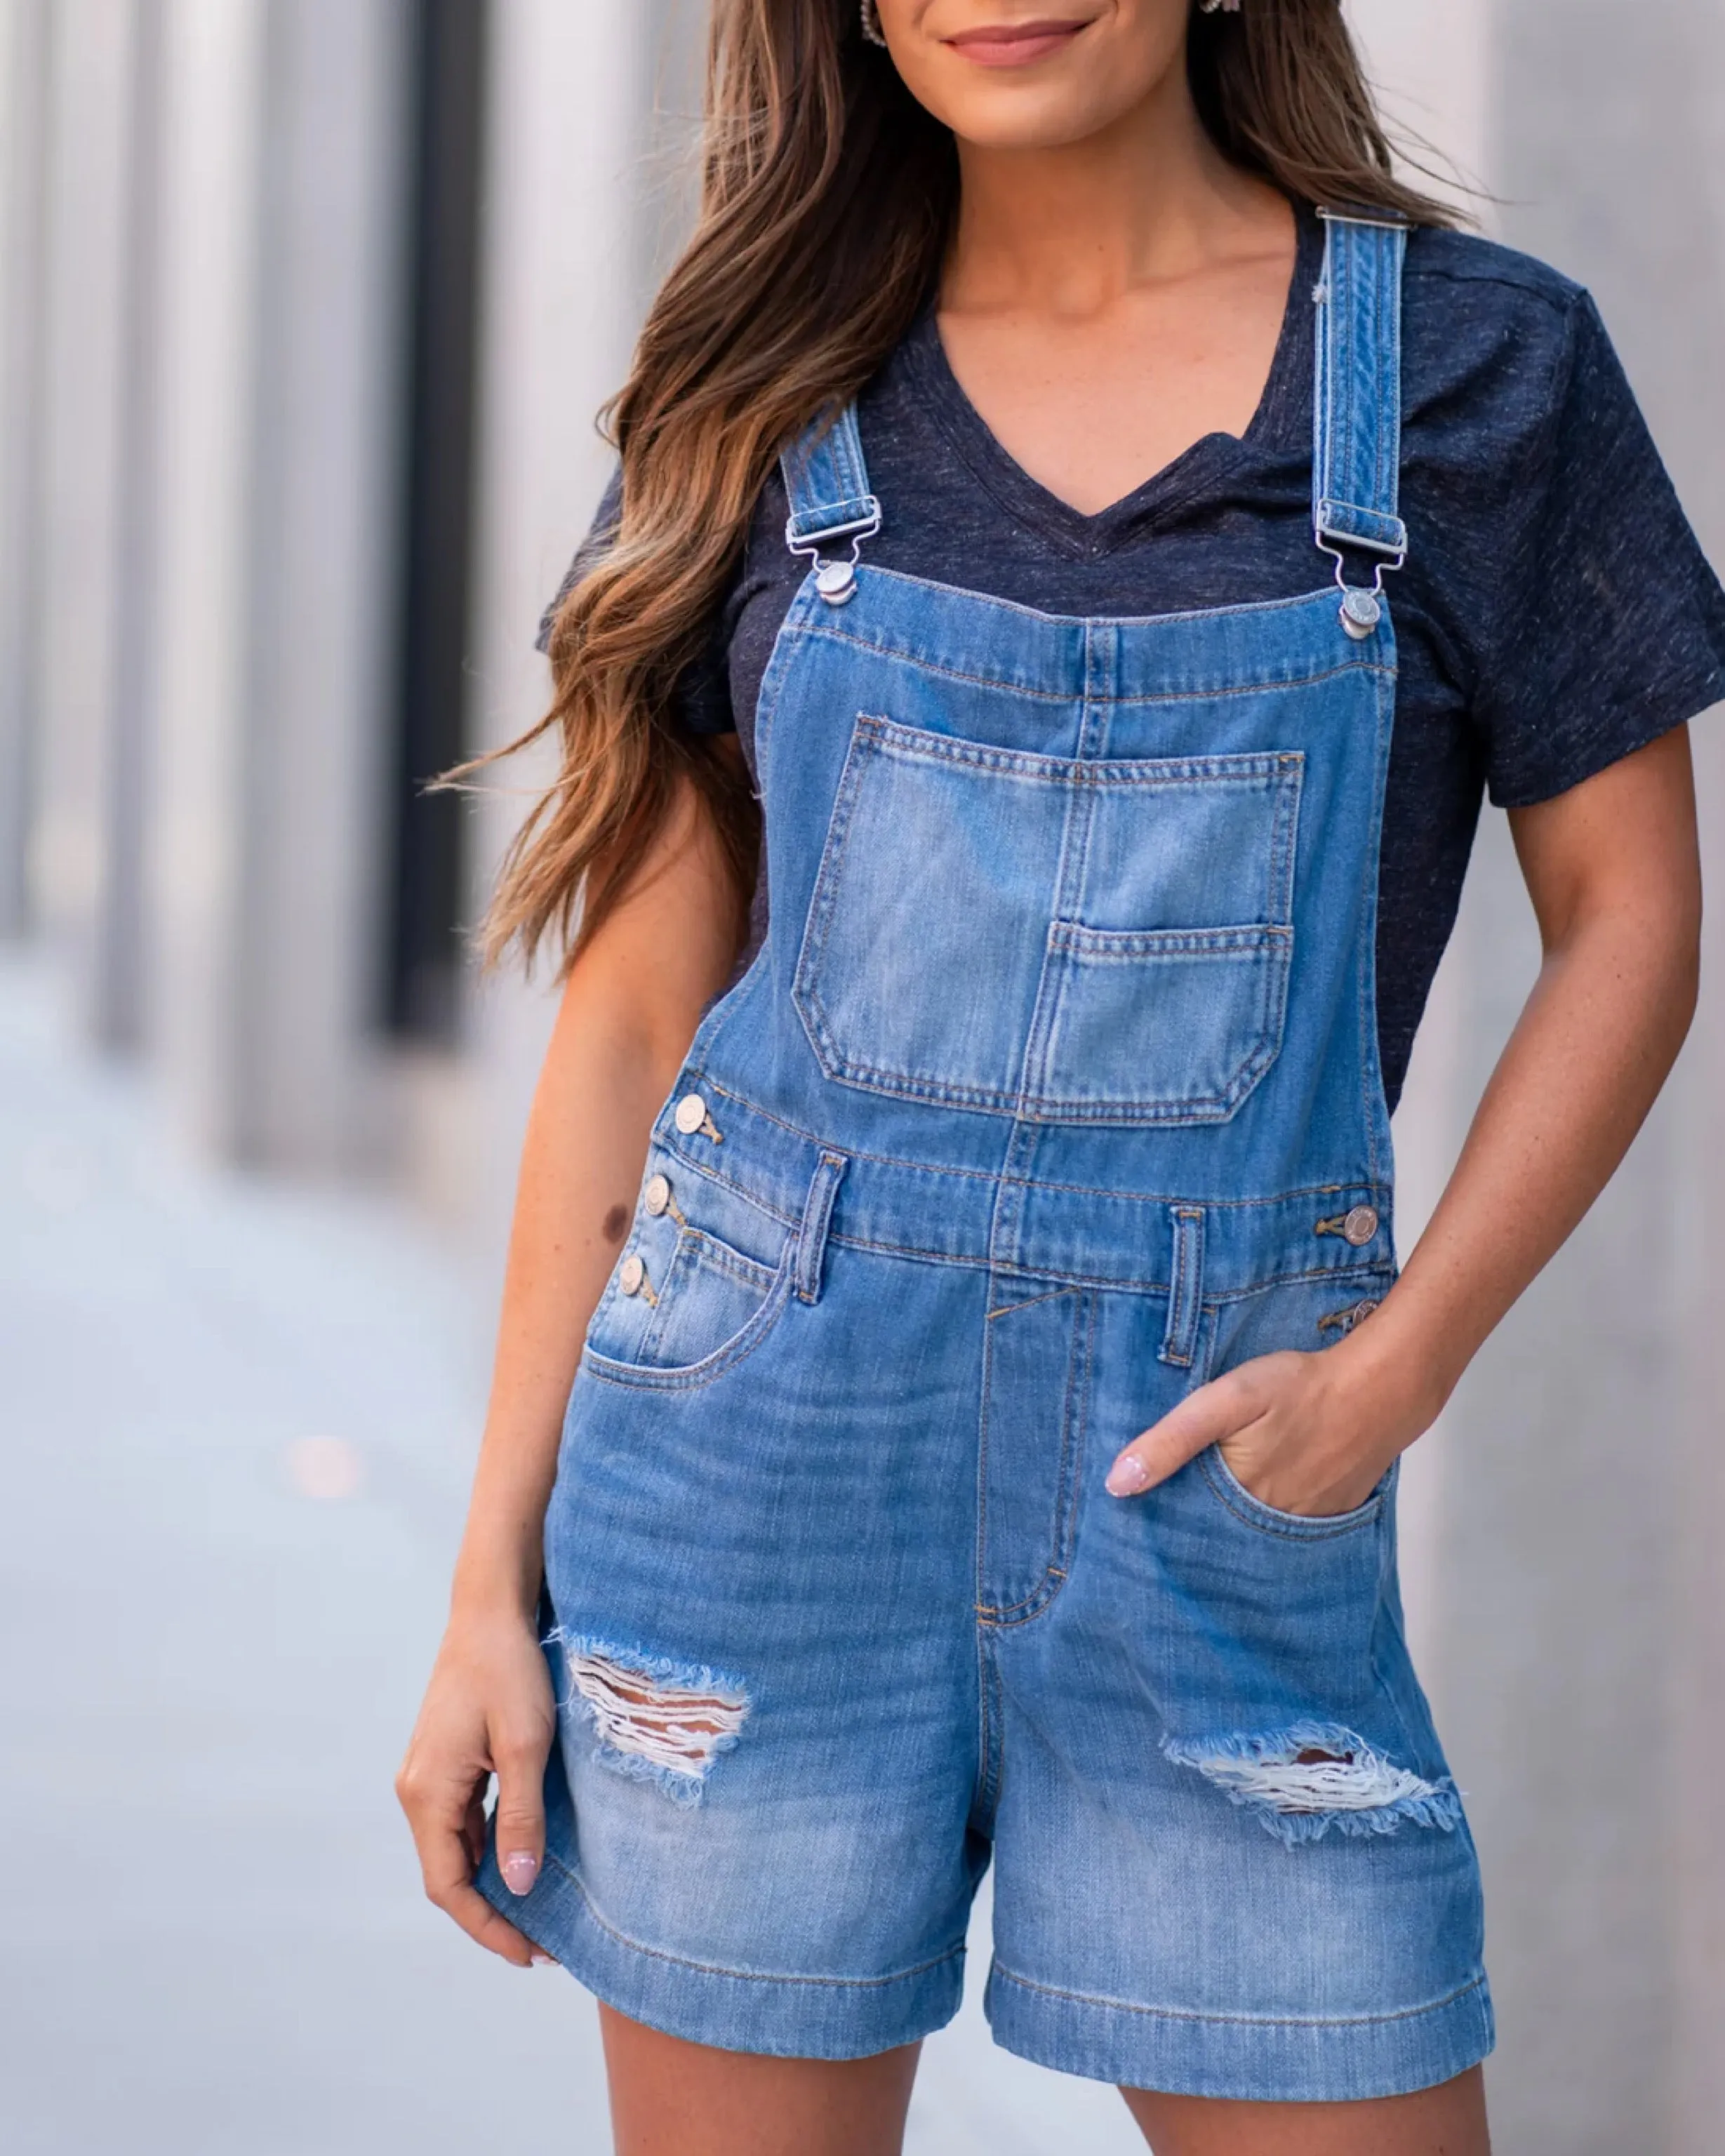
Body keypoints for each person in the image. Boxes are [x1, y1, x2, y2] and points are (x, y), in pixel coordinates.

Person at [397, 4, 1724, 2150]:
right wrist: (486, 1588)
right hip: (758, 1491)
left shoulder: (1486, 374)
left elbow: (1636, 921)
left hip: (1211, 1504)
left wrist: (1393, 1375)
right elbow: (637, 1022)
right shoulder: (763, 385)